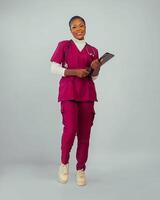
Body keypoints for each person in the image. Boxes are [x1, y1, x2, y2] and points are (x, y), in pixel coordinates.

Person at [50, 15, 101, 186]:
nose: (79, 29)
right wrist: (74, 72)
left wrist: (95, 69)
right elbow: (54, 68)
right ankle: (64, 164)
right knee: (71, 129)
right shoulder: (64, 45)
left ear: (86, 27)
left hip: (87, 94)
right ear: (70, 29)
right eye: (75, 27)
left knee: (85, 134)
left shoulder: (93, 50)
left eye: (82, 26)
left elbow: (93, 78)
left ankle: (81, 170)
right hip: (69, 93)